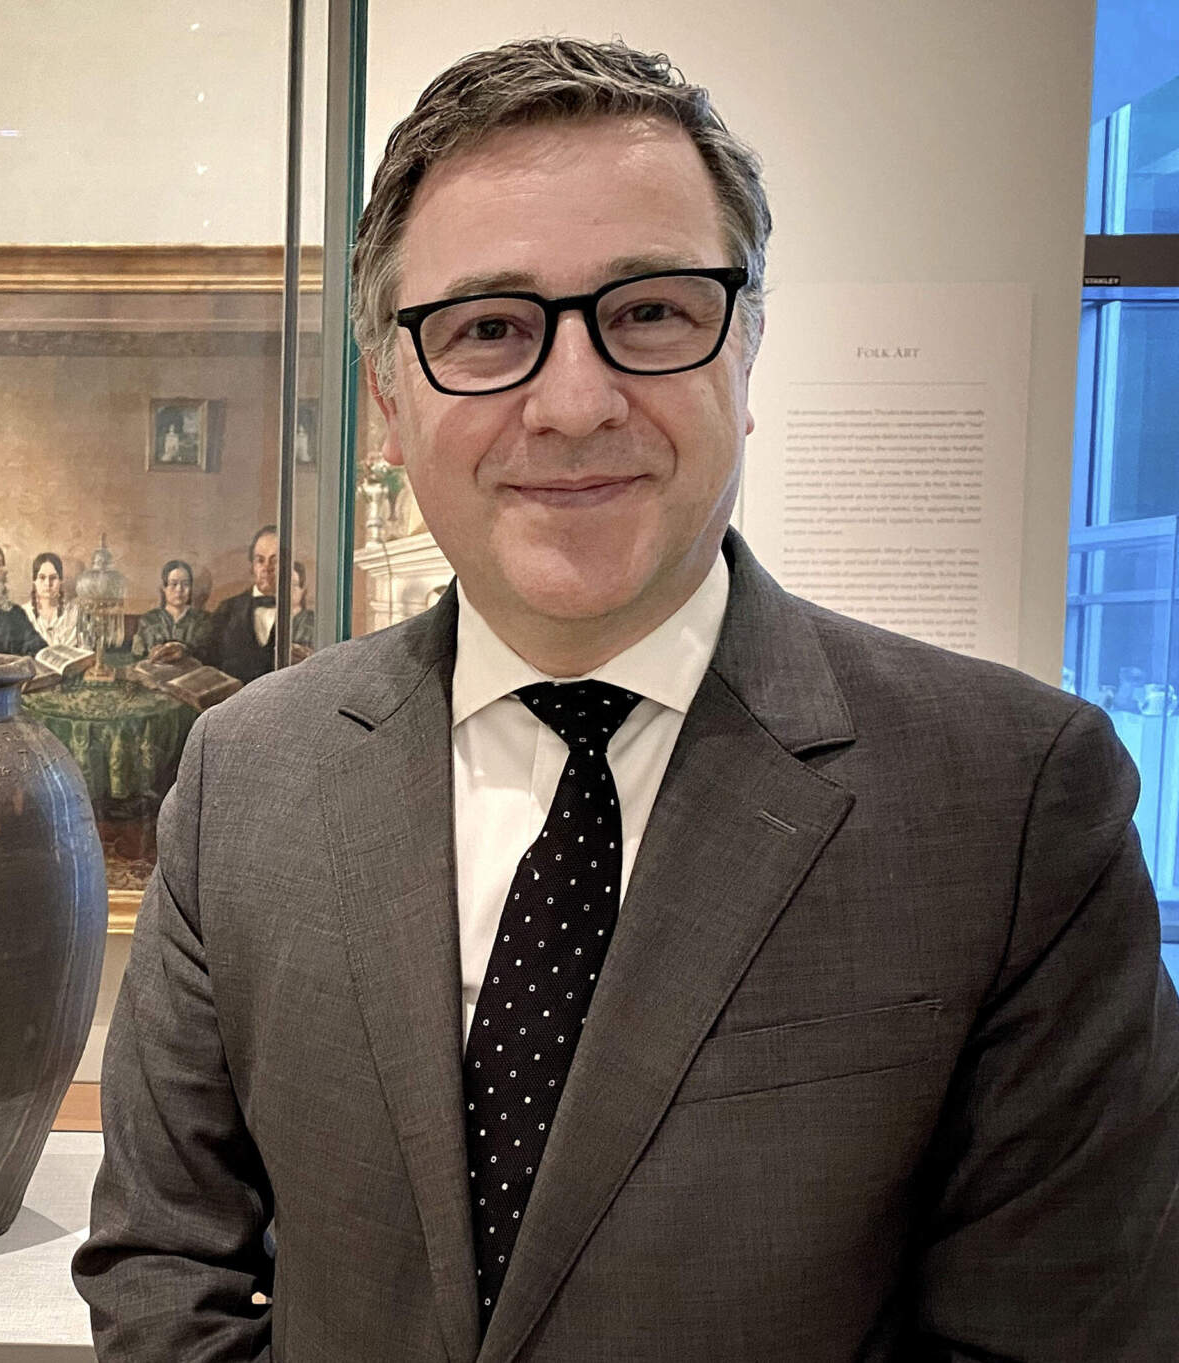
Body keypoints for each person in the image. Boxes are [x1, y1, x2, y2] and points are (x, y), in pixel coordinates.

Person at [76, 37, 1179, 1362]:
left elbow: (1056, 1329)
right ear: (386, 397)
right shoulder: (247, 772)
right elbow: (164, 1264)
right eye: (488, 328)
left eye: (650, 311)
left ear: (747, 346)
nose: (574, 402)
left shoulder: (1010, 798)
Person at [205, 525, 283, 682]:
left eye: (275, 561)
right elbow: (205, 654)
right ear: (252, 566)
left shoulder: (298, 612)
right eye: (260, 560)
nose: (267, 568)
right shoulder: (227, 609)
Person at [131, 559, 214, 659]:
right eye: (174, 584)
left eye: (185, 584)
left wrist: (183, 650)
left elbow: (209, 657)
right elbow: (137, 658)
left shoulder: (203, 620)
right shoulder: (148, 620)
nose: (179, 589)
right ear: (164, 588)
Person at [27, 551, 84, 649]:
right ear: (34, 581)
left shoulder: (75, 613)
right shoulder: (23, 614)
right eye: (42, 577)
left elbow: (84, 648)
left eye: (53, 578)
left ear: (61, 581)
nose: (47, 583)